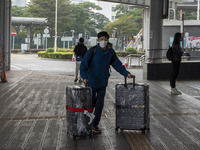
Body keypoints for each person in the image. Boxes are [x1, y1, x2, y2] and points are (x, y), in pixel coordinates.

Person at [80, 31, 133, 133]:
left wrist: (126, 73)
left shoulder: (110, 52)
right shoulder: (93, 50)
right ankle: (86, 120)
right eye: (101, 39)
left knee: (100, 103)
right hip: (91, 81)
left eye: (105, 39)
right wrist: (84, 77)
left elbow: (117, 65)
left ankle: (95, 124)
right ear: (98, 40)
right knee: (91, 102)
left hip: (103, 82)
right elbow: (83, 65)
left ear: (108, 40)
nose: (103, 41)